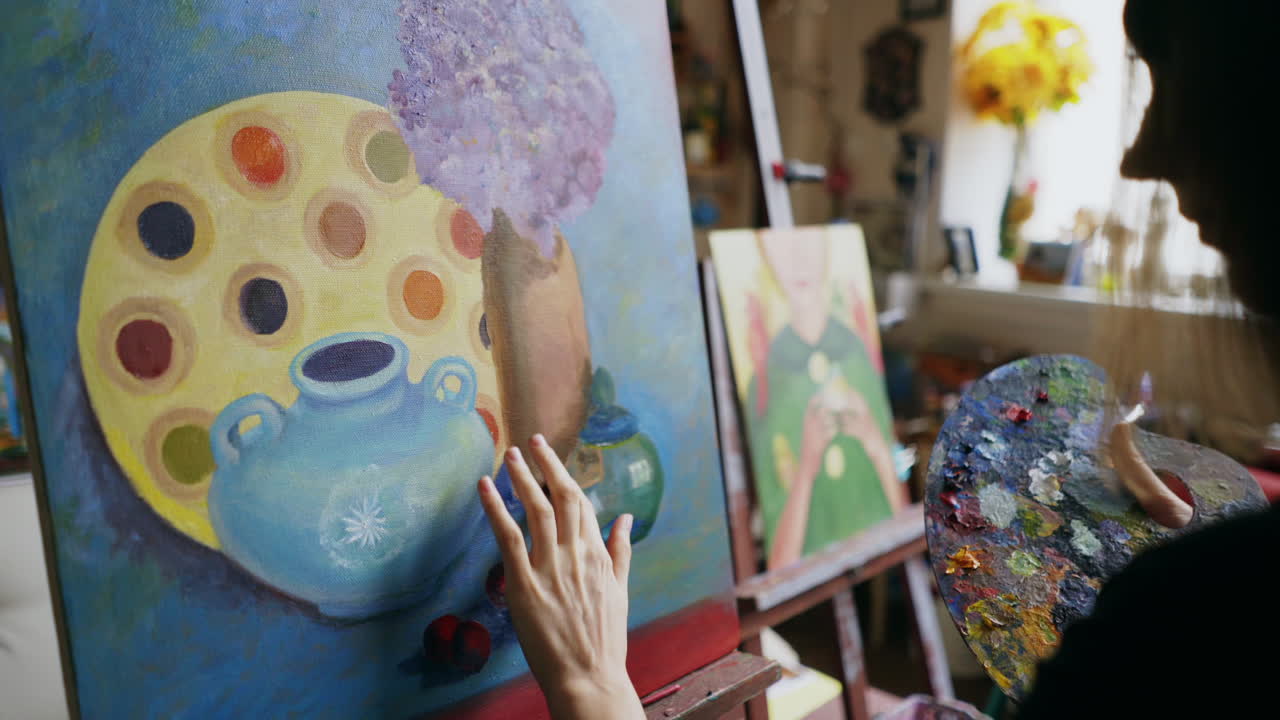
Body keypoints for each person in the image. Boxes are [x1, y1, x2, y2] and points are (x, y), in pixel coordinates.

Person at [479, 0, 1280, 717]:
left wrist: (593, 687)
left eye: (1176, 86)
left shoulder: (1202, 614)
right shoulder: (1207, 598)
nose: (1142, 158)